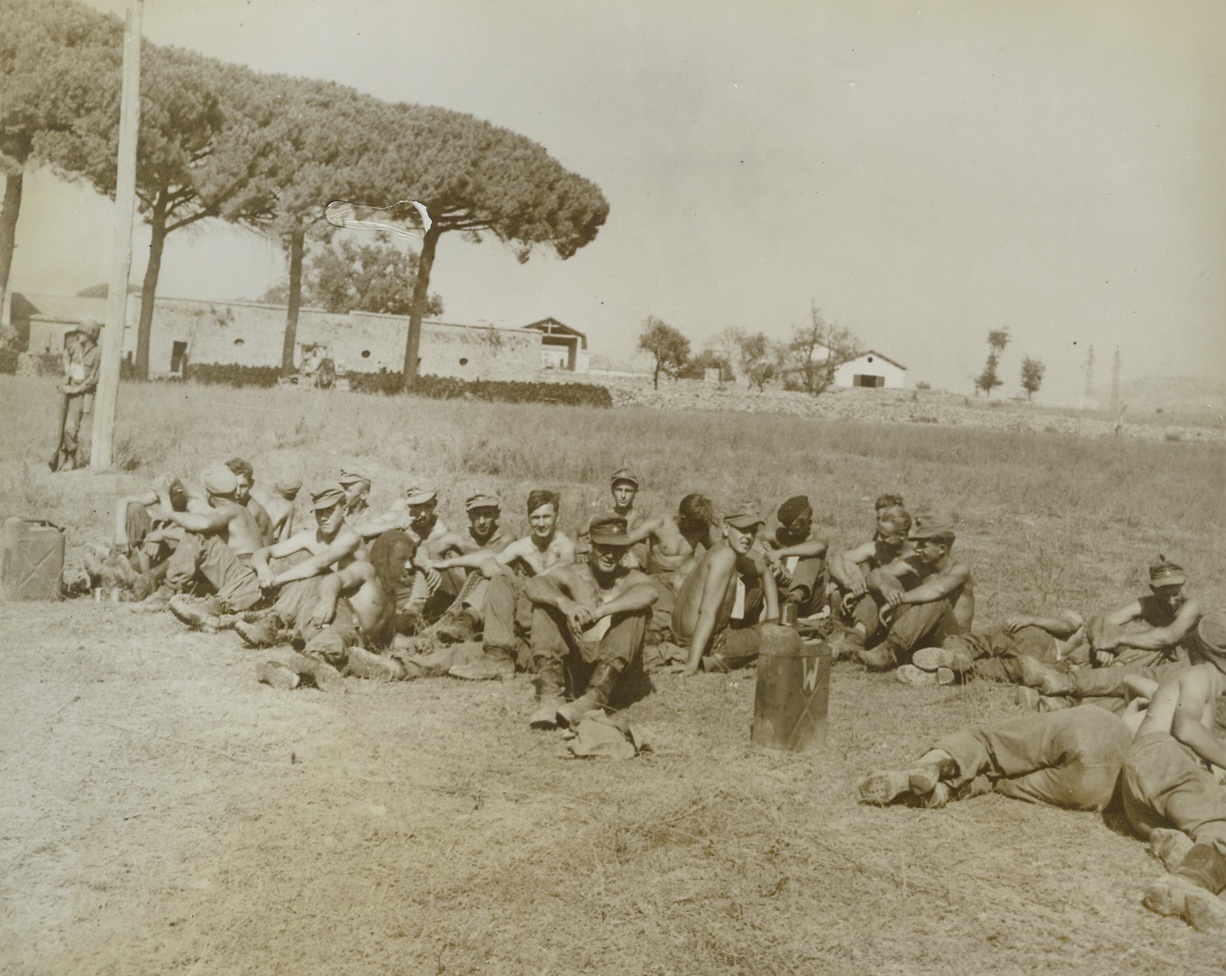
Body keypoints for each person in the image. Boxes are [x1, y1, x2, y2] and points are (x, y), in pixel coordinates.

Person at [1120, 610, 1226, 932]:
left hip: (1151, 793)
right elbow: (1186, 728)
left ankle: (1181, 850)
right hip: (1160, 758)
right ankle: (1183, 885)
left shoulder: (1216, 684)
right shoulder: (1201, 675)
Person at [858, 702, 1137, 811]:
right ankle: (943, 792)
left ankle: (934, 764)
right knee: (1001, 782)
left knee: (990, 744)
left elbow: (1131, 682)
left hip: (1104, 727)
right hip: (1107, 788)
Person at [521, 515, 658, 729]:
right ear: (589, 546)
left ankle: (594, 699)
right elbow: (533, 585)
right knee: (545, 603)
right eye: (603, 546)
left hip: (617, 681)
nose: (610, 555)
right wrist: (565, 604)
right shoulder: (573, 574)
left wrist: (600, 611)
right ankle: (550, 697)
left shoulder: (631, 578)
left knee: (634, 611)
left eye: (617, 548)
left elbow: (649, 592)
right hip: (578, 670)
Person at [1015, 557, 1204, 711]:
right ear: (1153, 590)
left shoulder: (1191, 606)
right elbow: (1100, 620)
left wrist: (1115, 641)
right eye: (1165, 595)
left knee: (1151, 648)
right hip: (1143, 661)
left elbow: (1168, 637)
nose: (1172, 601)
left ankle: (1066, 692)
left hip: (1176, 665)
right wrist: (1099, 642)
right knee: (1107, 630)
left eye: (1176, 593)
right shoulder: (1147, 603)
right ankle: (1064, 670)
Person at [445, 489, 576, 680]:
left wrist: (521, 584)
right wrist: (449, 563)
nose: (541, 523)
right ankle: (494, 653)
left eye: (546, 517)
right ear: (529, 518)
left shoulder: (565, 546)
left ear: (557, 515)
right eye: (535, 518)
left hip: (554, 613)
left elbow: (559, 570)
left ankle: (488, 640)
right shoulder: (524, 545)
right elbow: (490, 562)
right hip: (528, 611)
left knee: (505, 575)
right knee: (502, 574)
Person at [830, 520, 973, 672]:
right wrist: (887, 590)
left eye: (923, 546)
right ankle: (855, 638)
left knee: (937, 601)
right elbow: (876, 574)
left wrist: (897, 600)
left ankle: (888, 651)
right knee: (885, 583)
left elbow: (937, 589)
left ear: (941, 549)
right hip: (921, 632)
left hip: (950, 640)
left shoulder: (960, 570)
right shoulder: (916, 563)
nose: (917, 549)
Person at [234, 486, 368, 646]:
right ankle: (219, 605)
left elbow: (318, 565)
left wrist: (276, 580)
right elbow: (264, 551)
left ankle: (271, 623)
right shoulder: (311, 536)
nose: (324, 517)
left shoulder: (351, 538)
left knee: (320, 576)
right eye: (319, 512)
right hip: (318, 601)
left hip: (347, 606)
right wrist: (264, 569)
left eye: (330, 511)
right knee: (272, 564)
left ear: (345, 510)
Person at [665, 502, 780, 675]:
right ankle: (703, 659)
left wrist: (773, 616)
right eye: (743, 530)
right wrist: (691, 664)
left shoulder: (716, 551)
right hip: (710, 644)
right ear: (726, 528)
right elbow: (707, 613)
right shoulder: (725, 557)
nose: (749, 536)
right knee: (779, 636)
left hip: (681, 636)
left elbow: (763, 570)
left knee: (770, 621)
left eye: (753, 531)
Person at [153, 464, 267, 628]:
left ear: (208, 494)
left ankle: (166, 592)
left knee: (197, 534)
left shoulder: (230, 510)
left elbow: (203, 524)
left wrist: (169, 512)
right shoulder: (240, 509)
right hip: (248, 575)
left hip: (243, 576)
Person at [896, 609, 1087, 687]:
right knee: (989, 669)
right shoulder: (1091, 636)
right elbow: (1070, 627)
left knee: (978, 642)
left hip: (1038, 645)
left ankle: (953, 658)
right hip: (1041, 656)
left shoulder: (1087, 628)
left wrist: (1032, 619)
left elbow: (1069, 625)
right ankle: (946, 674)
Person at [625, 492, 720, 644]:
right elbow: (626, 540)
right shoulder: (659, 523)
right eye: (694, 523)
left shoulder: (700, 529)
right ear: (684, 518)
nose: (696, 528)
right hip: (658, 579)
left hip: (684, 583)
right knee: (667, 613)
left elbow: (717, 552)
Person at [827, 496, 913, 630]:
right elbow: (835, 558)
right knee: (845, 567)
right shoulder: (877, 547)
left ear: (901, 535)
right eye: (880, 535)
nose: (881, 540)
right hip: (874, 596)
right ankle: (837, 623)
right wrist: (848, 582)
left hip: (900, 605)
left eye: (886, 537)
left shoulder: (914, 555)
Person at [760, 495, 829, 620]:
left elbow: (819, 546)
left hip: (809, 600)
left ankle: (795, 597)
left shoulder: (816, 536)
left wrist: (781, 553)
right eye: (790, 529)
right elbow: (760, 538)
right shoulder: (783, 535)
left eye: (797, 529)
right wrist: (772, 556)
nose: (792, 533)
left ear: (807, 522)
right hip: (783, 593)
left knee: (809, 556)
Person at [50, 319, 101, 472]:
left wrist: (77, 390)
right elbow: (66, 353)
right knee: (61, 427)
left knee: (71, 428)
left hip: (81, 394)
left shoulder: (98, 353)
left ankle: (71, 458)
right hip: (67, 389)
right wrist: (67, 370)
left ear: (91, 335)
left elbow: (94, 378)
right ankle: (60, 457)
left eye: (82, 333)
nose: (79, 335)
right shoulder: (75, 346)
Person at [225, 457, 274, 546]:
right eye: (233, 486)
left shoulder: (253, 511)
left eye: (243, 486)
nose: (238, 492)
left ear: (251, 484)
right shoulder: (235, 504)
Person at [253, 475, 301, 543]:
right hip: (261, 546)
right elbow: (283, 542)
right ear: (294, 494)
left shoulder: (258, 495)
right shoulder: (288, 507)